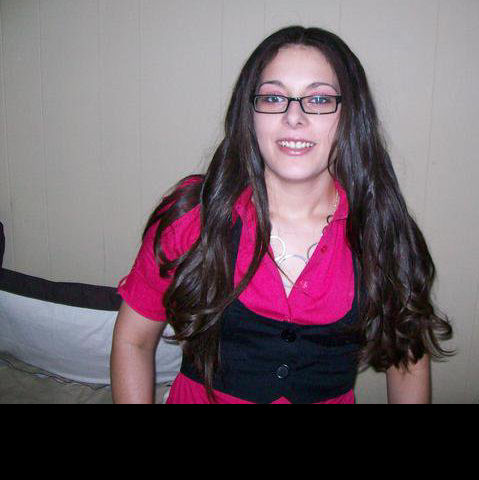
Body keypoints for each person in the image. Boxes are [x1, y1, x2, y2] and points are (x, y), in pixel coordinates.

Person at [110, 25, 453, 404]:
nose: (294, 117)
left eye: (319, 100)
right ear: (249, 113)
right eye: (273, 98)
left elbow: (407, 360)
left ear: (351, 115)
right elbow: (133, 340)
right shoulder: (192, 217)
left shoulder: (384, 230)